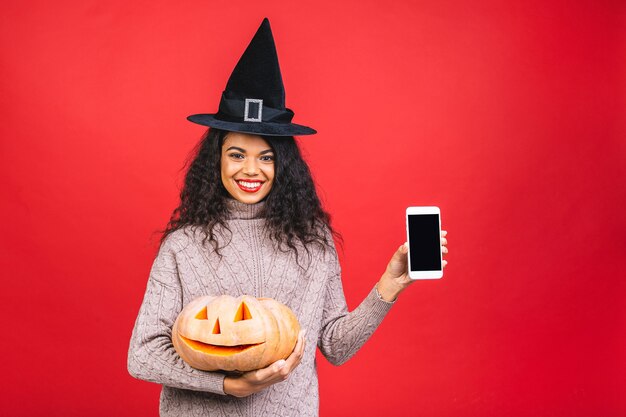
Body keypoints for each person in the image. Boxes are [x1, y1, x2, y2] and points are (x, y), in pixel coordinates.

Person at [127, 18, 448, 417]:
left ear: (283, 164)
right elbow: (142, 354)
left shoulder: (312, 242)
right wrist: (229, 385)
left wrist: (388, 286)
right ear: (216, 160)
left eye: (266, 156)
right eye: (237, 154)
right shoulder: (183, 247)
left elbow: (335, 346)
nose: (251, 169)